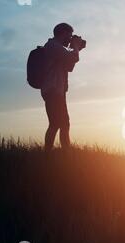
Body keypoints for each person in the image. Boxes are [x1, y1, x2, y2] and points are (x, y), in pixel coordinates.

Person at [40, 23, 85, 151]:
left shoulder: (57, 47)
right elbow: (74, 58)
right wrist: (75, 47)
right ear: (63, 33)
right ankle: (63, 153)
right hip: (53, 89)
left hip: (57, 90)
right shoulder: (53, 46)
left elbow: (70, 66)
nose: (70, 38)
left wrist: (76, 49)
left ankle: (52, 153)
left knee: (59, 123)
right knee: (59, 123)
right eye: (69, 35)